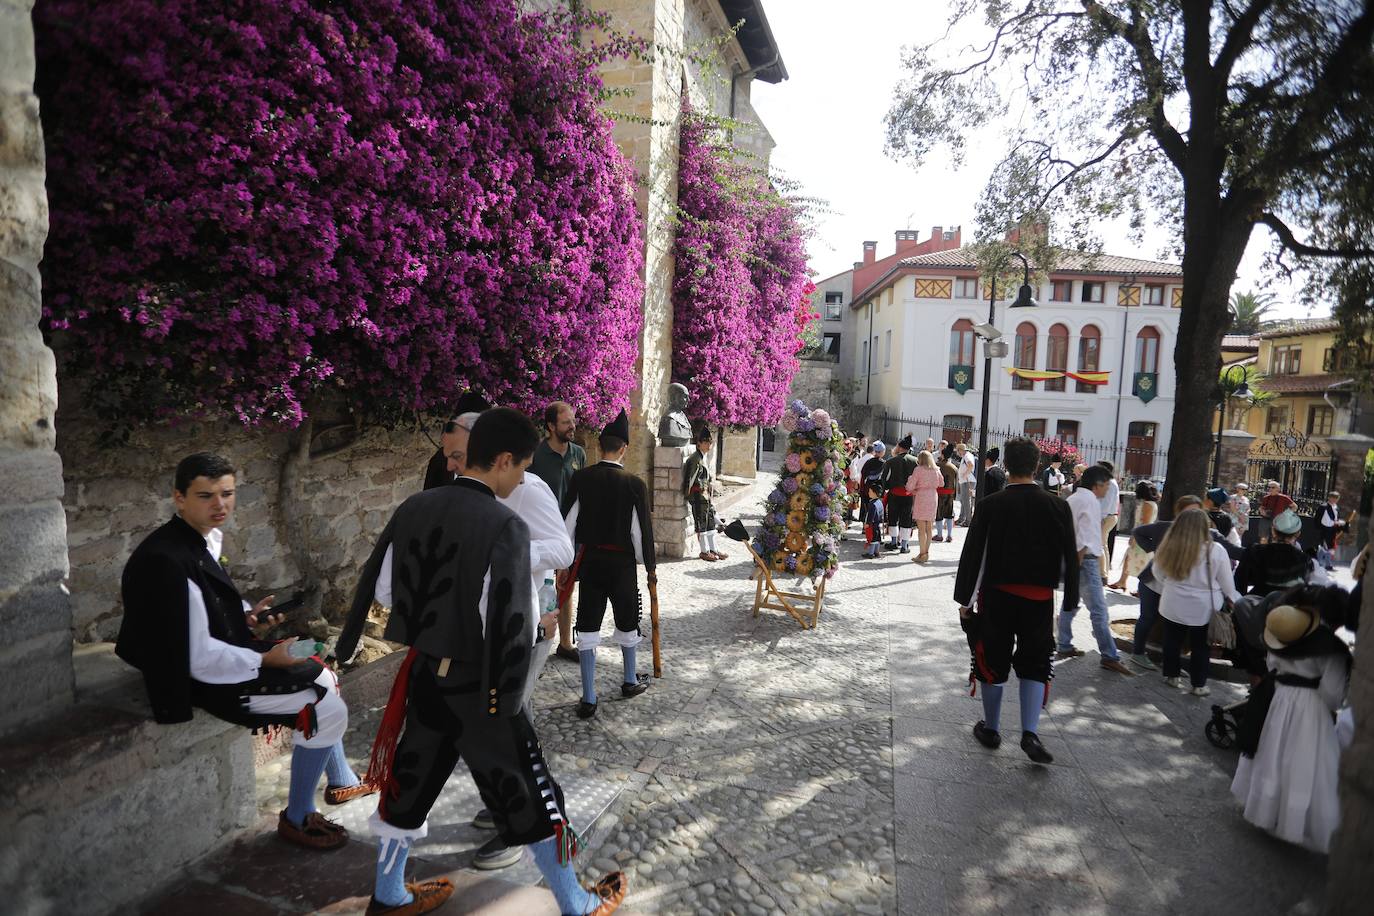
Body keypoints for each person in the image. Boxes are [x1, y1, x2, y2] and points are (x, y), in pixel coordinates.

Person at [338, 409, 625, 916]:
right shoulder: (505, 524)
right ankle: (575, 903)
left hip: (426, 675)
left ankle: (388, 895)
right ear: (502, 460)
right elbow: (507, 620)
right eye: (519, 470)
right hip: (484, 687)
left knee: (410, 782)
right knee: (529, 792)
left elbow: (381, 588)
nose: (521, 480)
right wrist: (509, 696)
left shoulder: (414, 507)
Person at [117, 453, 371, 853]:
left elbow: (200, 610)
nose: (220, 505)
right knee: (328, 705)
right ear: (179, 498)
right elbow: (196, 656)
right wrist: (267, 658)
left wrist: (245, 619)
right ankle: (298, 816)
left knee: (323, 671)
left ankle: (342, 780)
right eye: (206, 495)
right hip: (194, 680)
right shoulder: (166, 561)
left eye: (227, 494)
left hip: (225, 653)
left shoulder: (196, 538)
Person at [436, 410, 576, 871]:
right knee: (506, 725)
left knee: (506, 725)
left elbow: (563, 549)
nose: (452, 465)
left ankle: (524, 824)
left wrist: (510, 556)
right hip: (480, 629)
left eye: (458, 455)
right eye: (448, 457)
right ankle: (522, 810)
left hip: (522, 626)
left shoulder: (528, 489)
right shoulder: (462, 489)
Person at [954, 437, 1079, 764]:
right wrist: (1070, 601)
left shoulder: (991, 505)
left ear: (1006, 465)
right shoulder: (1058, 506)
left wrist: (965, 601)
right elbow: (1069, 559)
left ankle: (992, 728)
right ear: (1037, 466)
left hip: (998, 595)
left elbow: (975, 558)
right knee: (1036, 661)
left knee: (992, 659)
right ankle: (1030, 732)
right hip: (1039, 599)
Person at [1231, 597, 1351, 853]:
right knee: (1302, 760)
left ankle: (1265, 810)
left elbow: (1271, 666)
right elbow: (1333, 693)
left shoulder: (1283, 636)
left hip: (1278, 700)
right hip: (1311, 707)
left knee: (1272, 753)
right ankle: (1292, 820)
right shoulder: (1330, 650)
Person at [562, 409, 656, 720]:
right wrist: (649, 565)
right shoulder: (633, 484)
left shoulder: (582, 478)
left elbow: (568, 524)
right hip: (621, 564)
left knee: (587, 624)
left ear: (600, 447)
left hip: (590, 562)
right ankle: (629, 680)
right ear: (624, 449)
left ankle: (588, 698)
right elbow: (639, 532)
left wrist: (566, 561)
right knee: (628, 620)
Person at [1153, 507, 1240, 696]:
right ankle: (1198, 684)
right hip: (1204, 607)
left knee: (1172, 640)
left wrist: (1172, 585)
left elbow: (1158, 573)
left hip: (1173, 601)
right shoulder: (1215, 550)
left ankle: (1172, 675)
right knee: (1201, 646)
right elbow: (1226, 582)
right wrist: (1232, 598)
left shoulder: (1168, 545)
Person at [1059, 466, 1135, 675]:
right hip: (1086, 560)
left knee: (1071, 602)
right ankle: (1109, 656)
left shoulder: (1073, 499)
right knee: (1099, 611)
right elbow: (1084, 538)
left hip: (1075, 559)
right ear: (1098, 484)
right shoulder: (1090, 501)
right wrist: (1079, 563)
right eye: (1106, 485)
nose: (1108, 490)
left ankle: (1064, 643)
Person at [530, 401, 588, 662]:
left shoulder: (578, 454)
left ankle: (565, 643)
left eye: (573, 421)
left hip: (570, 534)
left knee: (566, 588)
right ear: (551, 426)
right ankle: (537, 643)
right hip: (541, 534)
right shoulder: (535, 456)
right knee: (540, 587)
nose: (572, 426)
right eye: (566, 422)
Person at [1234, 508, 1328, 595]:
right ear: (1298, 534)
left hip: (1258, 605)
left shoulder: (1254, 551)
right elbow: (1320, 585)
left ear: (1273, 531)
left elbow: (1239, 581)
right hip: (1290, 607)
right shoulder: (1306, 560)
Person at [681, 425, 725, 562]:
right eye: (706, 441)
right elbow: (690, 478)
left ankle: (713, 548)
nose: (708, 444)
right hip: (698, 496)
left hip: (706, 497)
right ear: (699, 443)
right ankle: (704, 551)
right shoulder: (695, 459)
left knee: (710, 522)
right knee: (702, 524)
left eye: (710, 442)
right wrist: (688, 495)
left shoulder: (703, 457)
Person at [1109, 482, 1157, 591]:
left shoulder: (1147, 505)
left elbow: (1144, 523)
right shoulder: (1150, 504)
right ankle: (1122, 581)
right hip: (1143, 535)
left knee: (1139, 561)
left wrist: (1135, 536)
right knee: (1130, 557)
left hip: (1142, 536)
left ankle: (1133, 585)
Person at [878, 436, 918, 553]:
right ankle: (905, 545)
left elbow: (884, 479)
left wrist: (884, 489)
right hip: (909, 494)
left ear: (900, 447)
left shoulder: (891, 461)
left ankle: (894, 542)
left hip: (894, 494)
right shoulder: (915, 461)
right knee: (906, 519)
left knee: (893, 518)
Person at [906, 450, 944, 563]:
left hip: (921, 496)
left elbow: (910, 486)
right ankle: (926, 553)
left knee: (921, 528)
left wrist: (910, 482)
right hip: (933, 496)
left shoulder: (918, 470)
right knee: (929, 528)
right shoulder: (936, 469)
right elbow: (942, 483)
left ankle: (922, 553)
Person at [1098, 461, 1121, 579]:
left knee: (1101, 544)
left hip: (1107, 517)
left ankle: (1104, 574)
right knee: (1103, 544)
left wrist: (1100, 518)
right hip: (1108, 516)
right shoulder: (1110, 482)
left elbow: (1106, 503)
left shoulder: (1110, 483)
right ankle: (1104, 571)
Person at [1316, 491, 1348, 572]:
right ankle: (1321, 564)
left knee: (1330, 548)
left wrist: (1340, 524)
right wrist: (1336, 522)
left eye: (1336, 498)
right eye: (1333, 498)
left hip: (1332, 531)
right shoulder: (1324, 507)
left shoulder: (1336, 507)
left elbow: (1335, 519)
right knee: (1324, 548)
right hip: (1325, 530)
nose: (1334, 500)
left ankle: (1324, 564)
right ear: (1329, 497)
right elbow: (1325, 521)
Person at [933, 446, 958, 544]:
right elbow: (956, 482)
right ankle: (949, 535)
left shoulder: (937, 465)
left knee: (938, 514)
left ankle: (939, 535)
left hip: (939, 493)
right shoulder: (954, 467)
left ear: (942, 454)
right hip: (950, 493)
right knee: (949, 514)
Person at [861, 481, 886, 558]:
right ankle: (877, 552)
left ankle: (871, 553)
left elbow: (870, 515)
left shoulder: (872, 504)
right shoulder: (879, 502)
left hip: (872, 525)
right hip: (877, 524)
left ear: (874, 493)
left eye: (870, 491)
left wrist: (867, 523)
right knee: (877, 538)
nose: (868, 492)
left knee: (872, 539)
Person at [956, 443, 977, 526]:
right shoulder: (966, 456)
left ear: (960, 450)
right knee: (964, 500)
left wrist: (965, 474)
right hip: (965, 481)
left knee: (966, 501)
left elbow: (970, 465)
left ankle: (968, 520)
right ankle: (962, 518)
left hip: (967, 481)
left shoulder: (967, 456)